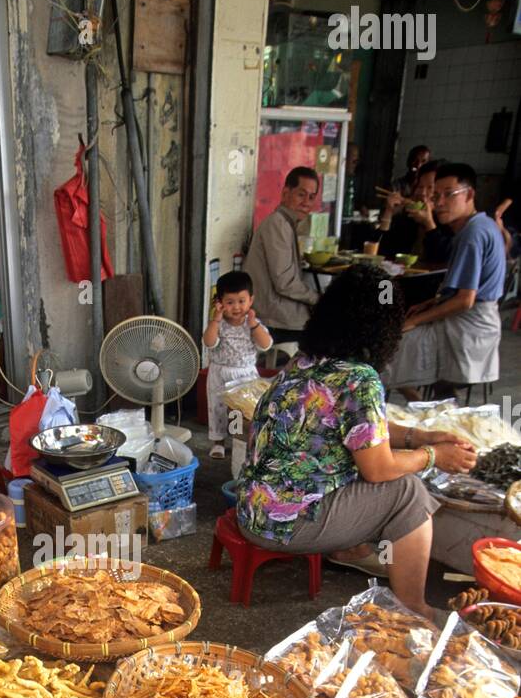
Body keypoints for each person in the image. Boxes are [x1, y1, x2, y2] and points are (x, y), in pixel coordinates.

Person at [235, 265, 476, 618]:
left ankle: (350, 550)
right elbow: (379, 469)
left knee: (359, 465)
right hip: (287, 524)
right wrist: (432, 455)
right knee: (407, 491)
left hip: (252, 509)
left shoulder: (305, 363)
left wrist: (418, 436)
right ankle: (413, 605)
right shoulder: (359, 378)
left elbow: (363, 427)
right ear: (383, 328)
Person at [387, 163, 506, 398]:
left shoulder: (473, 234)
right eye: (434, 195)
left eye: (448, 194)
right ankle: (431, 407)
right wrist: (432, 303)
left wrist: (415, 321)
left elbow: (465, 300)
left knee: (388, 347)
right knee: (392, 315)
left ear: (469, 194)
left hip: (467, 328)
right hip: (470, 322)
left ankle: (418, 407)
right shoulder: (480, 225)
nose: (439, 202)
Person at [244, 167, 320, 341]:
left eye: (311, 197)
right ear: (286, 193)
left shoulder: (287, 223)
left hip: (279, 310)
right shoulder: (277, 224)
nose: (307, 202)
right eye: (301, 194)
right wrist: (317, 298)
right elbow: (284, 283)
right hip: (273, 316)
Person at [203, 271, 273, 459]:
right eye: (230, 302)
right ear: (220, 303)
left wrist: (253, 325)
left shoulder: (253, 324)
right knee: (217, 409)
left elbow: (266, 344)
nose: (236, 307)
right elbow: (208, 342)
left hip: (245, 376)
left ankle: (237, 439)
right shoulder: (217, 324)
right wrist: (216, 319)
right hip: (220, 373)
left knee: (239, 411)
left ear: (251, 300)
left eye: (241, 301)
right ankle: (218, 442)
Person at [376, 160, 454, 264]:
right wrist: (389, 212)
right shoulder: (409, 218)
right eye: (420, 187)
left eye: (430, 188)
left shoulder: (450, 222)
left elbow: (445, 258)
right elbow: (380, 251)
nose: (422, 193)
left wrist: (429, 224)